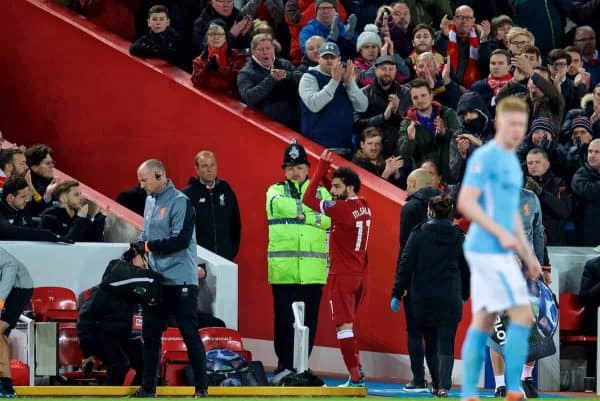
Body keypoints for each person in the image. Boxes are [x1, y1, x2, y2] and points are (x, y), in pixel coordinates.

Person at [457, 96, 542, 401]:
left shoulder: (511, 163)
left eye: (522, 124)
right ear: (498, 124)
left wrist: (529, 254)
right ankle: (509, 387)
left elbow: (512, 215)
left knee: (490, 318)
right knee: (515, 314)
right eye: (511, 124)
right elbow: (465, 203)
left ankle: (492, 390)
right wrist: (499, 234)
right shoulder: (486, 157)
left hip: (503, 251)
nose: (517, 130)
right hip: (484, 248)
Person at [132, 159, 207, 398]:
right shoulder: (150, 201)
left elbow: (181, 240)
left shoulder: (181, 202)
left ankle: (201, 389)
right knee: (150, 336)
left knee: (189, 334)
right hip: (157, 281)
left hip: (181, 280)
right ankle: (148, 389)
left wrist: (147, 245)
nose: (141, 185)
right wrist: (137, 248)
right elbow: (146, 234)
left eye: (144, 180)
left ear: (159, 175)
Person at [302, 150, 371, 388]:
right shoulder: (363, 205)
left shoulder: (341, 210)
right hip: (359, 275)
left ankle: (354, 377)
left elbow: (308, 199)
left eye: (338, 187)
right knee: (350, 325)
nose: (332, 191)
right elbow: (337, 190)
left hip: (341, 275)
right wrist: (330, 177)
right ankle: (358, 370)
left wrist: (321, 167)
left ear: (350, 188)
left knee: (343, 327)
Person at [391, 194, 469, 397]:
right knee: (446, 341)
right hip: (450, 296)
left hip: (423, 297)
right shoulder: (459, 236)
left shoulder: (418, 233)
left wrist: (397, 292)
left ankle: (435, 383)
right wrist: (465, 294)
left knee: (430, 341)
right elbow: (467, 269)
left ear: (430, 212)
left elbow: (405, 265)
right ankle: (444, 386)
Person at [266, 141, 331, 373]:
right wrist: (312, 210)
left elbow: (331, 218)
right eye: (291, 167)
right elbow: (279, 206)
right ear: (285, 171)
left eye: (300, 167)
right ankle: (284, 365)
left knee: (309, 322)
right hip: (284, 271)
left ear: (308, 169)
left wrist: (310, 216)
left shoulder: (322, 192)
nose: (295, 172)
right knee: (284, 321)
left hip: (312, 272)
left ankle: (302, 365)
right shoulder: (274, 191)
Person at [77, 244, 147, 385]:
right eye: (143, 261)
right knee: (121, 364)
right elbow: (85, 320)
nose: (145, 265)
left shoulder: (136, 292)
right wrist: (88, 353)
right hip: (103, 337)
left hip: (126, 337)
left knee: (147, 363)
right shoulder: (103, 291)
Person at [397, 168, 441, 391]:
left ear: (414, 184)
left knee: (415, 332)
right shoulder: (444, 206)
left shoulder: (411, 207)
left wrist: (400, 285)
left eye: (407, 183)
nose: (405, 188)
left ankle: (418, 379)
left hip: (416, 280)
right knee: (434, 333)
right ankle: (439, 380)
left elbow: (405, 249)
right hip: (440, 281)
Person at [299, 42, 368, 157]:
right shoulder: (309, 77)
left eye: (332, 57)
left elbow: (362, 106)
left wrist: (349, 82)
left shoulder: (344, 78)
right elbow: (314, 104)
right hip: (318, 147)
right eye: (325, 57)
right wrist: (334, 82)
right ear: (319, 59)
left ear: (339, 59)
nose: (329, 60)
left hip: (345, 147)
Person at [398, 79, 460, 184]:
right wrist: (410, 139)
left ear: (431, 95)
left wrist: (445, 133)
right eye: (415, 97)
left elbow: (460, 140)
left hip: (449, 176)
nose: (420, 100)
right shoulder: (407, 123)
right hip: (424, 179)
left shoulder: (448, 114)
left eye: (423, 95)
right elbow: (404, 153)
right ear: (412, 101)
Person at [183, 151, 241, 261]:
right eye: (205, 166)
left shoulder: (226, 190)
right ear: (197, 169)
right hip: (199, 260)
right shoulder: (188, 195)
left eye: (212, 165)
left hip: (225, 258)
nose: (209, 169)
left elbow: (235, 223)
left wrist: (231, 251)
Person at [354, 55, 411, 159]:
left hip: (397, 150)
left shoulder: (405, 93)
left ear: (396, 71)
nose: (387, 72)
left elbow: (409, 123)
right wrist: (383, 117)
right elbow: (357, 124)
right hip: (370, 150)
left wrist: (397, 112)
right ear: (375, 70)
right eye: (383, 69)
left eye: (391, 69)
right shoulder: (364, 93)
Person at [237, 34, 300, 130]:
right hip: (268, 125)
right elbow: (249, 97)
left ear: (274, 49)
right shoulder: (245, 73)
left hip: (295, 120)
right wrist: (271, 79)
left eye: (268, 48)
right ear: (253, 52)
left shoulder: (285, 64)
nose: (265, 52)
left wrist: (287, 75)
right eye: (260, 49)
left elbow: (303, 79)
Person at [0, 248, 34, 397]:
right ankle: (5, 383)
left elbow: (10, 265)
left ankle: (6, 386)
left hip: (19, 288)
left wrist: (0, 301)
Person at [525, 148, 573, 246]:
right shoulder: (521, 184)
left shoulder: (559, 183)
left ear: (547, 165)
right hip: (527, 239)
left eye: (537, 162)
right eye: (530, 163)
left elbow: (564, 211)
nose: (533, 165)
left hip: (553, 239)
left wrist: (542, 193)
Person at [0, 176, 65, 242]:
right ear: (10, 198)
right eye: (23, 196)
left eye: (27, 196)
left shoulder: (23, 207)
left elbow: (31, 228)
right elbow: (8, 231)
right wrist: (47, 234)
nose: (26, 200)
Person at [191, 21, 248, 95]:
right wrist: (206, 69)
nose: (216, 37)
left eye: (220, 34)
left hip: (230, 101)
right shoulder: (199, 60)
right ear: (207, 38)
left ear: (225, 37)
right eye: (212, 34)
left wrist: (219, 70)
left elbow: (236, 81)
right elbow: (196, 80)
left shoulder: (238, 56)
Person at [39, 181, 107, 243]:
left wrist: (99, 220)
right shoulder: (49, 217)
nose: (81, 198)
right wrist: (80, 219)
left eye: (81, 194)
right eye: (76, 195)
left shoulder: (84, 217)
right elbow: (65, 247)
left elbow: (97, 243)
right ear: (63, 199)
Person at [284, 0, 348, 65]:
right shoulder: (292, 4)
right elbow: (297, 20)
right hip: (301, 57)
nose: (325, 12)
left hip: (336, 56)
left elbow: (341, 16)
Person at [449, 91, 492, 183]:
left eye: (471, 112)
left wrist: (479, 142)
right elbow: (454, 174)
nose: (468, 117)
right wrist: (461, 155)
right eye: (464, 113)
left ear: (481, 112)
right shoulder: (459, 136)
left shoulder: (495, 130)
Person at [435, 5, 481, 90]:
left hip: (474, 86)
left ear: (473, 21)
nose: (464, 21)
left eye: (468, 18)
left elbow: (484, 63)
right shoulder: (441, 35)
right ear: (454, 19)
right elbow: (439, 58)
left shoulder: (480, 37)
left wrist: (484, 41)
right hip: (448, 85)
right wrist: (444, 36)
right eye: (460, 17)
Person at [571, 139, 600, 247]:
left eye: (597, 152)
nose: (592, 155)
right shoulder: (581, 173)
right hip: (588, 231)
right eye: (590, 151)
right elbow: (585, 190)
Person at [471, 49, 512, 117]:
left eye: (501, 63)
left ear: (509, 67)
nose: (496, 67)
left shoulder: (517, 86)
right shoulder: (477, 87)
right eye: (493, 63)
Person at [24, 144, 57, 217]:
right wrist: (47, 195)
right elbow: (38, 212)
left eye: (52, 162)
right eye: (48, 163)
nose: (52, 166)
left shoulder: (51, 181)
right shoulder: (27, 184)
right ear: (34, 167)